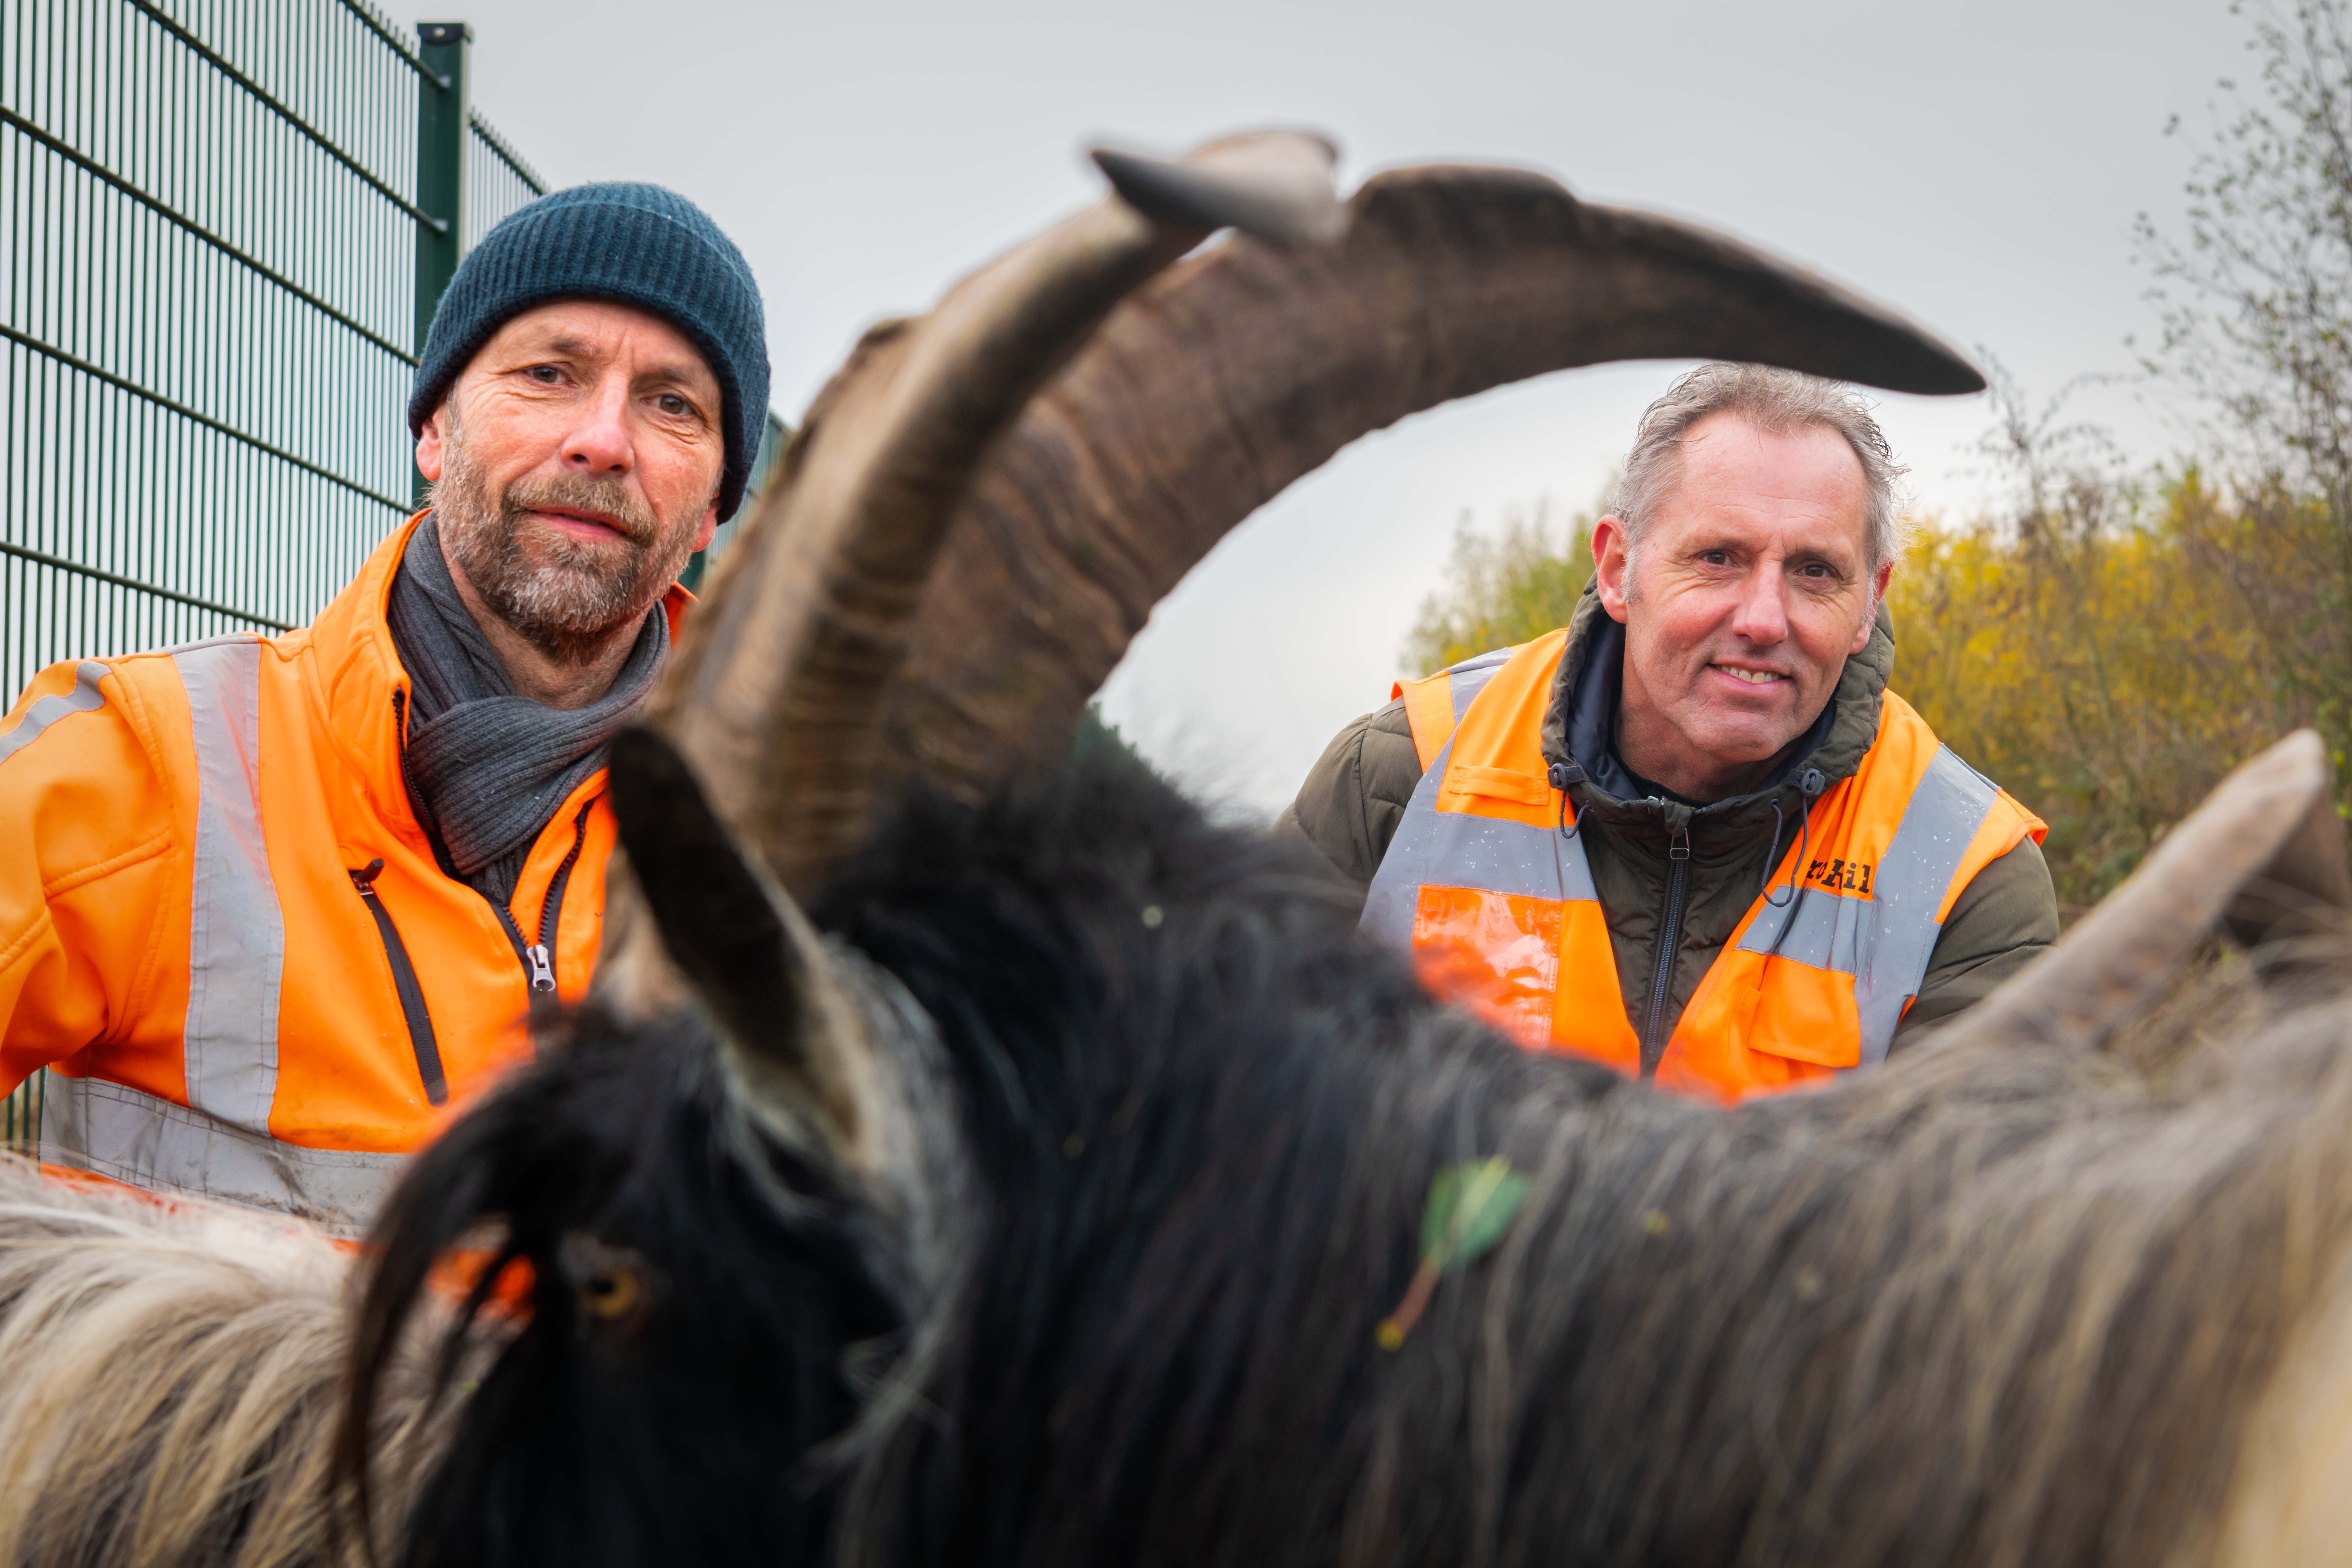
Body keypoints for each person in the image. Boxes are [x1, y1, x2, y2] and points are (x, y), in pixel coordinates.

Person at [0, 184, 770, 1228]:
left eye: (674, 404)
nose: (603, 439)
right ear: (434, 433)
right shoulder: (143, 762)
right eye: (549, 373)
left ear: (714, 512)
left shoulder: (783, 849)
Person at [1283, 364, 2059, 1101]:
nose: (1763, 619)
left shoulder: (1968, 874)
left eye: (1816, 572)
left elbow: (1966, 1215)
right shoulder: (1399, 779)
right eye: (1718, 558)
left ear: (1870, 601)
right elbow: (1226, 1106)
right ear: (1620, 569)